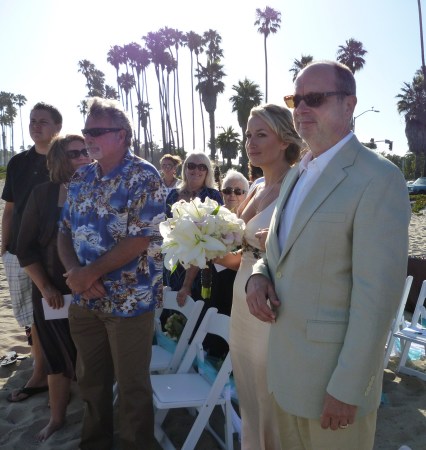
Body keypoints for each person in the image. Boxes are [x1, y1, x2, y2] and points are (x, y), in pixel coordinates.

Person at [246, 61, 411, 450]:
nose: (301, 108)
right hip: (285, 375)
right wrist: (258, 275)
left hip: (332, 389)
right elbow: (275, 252)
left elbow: (377, 299)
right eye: (296, 99)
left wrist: (349, 388)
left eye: (314, 99)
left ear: (349, 104)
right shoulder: (299, 173)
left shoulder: (378, 179)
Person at [57, 97, 166, 449]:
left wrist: (88, 274)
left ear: (122, 135)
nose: (88, 138)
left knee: (132, 387)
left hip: (130, 303)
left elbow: (141, 238)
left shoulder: (144, 176)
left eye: (97, 131)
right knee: (90, 382)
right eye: (86, 130)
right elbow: (64, 232)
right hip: (85, 299)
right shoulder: (80, 177)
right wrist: (76, 273)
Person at [216, 104, 302, 450]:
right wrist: (206, 248)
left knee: (270, 395)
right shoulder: (254, 186)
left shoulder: (297, 185)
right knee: (248, 392)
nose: (250, 142)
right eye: (248, 135)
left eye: (261, 134)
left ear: (284, 140)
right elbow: (242, 254)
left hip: (271, 302)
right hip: (242, 294)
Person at [16, 134, 92, 441]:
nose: (84, 157)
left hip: (92, 289)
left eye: (87, 151)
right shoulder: (42, 194)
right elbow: (25, 249)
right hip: (52, 294)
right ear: (60, 159)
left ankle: (95, 417)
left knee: (90, 356)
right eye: (75, 153)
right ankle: (57, 418)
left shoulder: (100, 190)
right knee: (56, 356)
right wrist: (46, 287)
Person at [2, 102, 62, 402]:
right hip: (18, 254)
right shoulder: (17, 163)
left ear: (57, 128)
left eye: (43, 121)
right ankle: (41, 369)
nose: (36, 125)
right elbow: (9, 211)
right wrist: (4, 250)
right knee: (29, 315)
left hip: (52, 253)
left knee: (48, 313)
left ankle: (41, 375)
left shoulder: (65, 163)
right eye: (32, 120)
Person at [165, 151, 222, 304]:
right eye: (191, 166)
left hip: (200, 265)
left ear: (207, 171)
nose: (196, 171)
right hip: (175, 261)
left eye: (202, 167)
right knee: (171, 308)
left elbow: (214, 233)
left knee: (194, 308)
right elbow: (165, 228)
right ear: (185, 169)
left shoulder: (213, 196)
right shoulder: (172, 195)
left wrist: (187, 284)